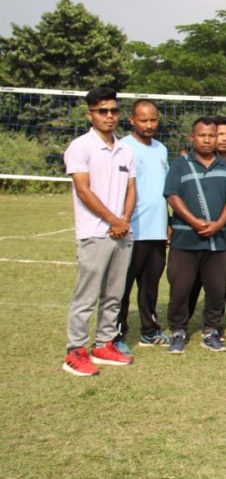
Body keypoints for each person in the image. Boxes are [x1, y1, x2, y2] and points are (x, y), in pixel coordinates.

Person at [61, 87, 136, 376]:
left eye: (113, 110)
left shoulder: (125, 148)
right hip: (95, 232)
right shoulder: (81, 146)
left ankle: (104, 343)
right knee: (87, 295)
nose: (109, 116)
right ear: (90, 114)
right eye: (102, 111)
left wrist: (124, 219)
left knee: (114, 294)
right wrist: (112, 221)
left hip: (121, 232)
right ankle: (75, 350)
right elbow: (83, 190)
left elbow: (131, 188)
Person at [163, 117, 226, 354]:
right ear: (192, 137)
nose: (207, 140)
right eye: (202, 135)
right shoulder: (180, 165)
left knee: (217, 289)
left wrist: (219, 224)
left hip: (217, 241)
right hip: (185, 240)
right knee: (181, 288)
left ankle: (211, 330)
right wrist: (194, 221)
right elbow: (172, 195)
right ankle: (178, 331)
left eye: (212, 135)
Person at [117, 98, 170, 349]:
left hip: (157, 231)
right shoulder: (123, 148)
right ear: (131, 120)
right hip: (131, 231)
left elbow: (163, 190)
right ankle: (116, 334)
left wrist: (168, 221)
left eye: (153, 119)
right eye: (143, 120)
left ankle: (149, 331)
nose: (149, 125)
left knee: (150, 286)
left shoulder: (161, 149)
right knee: (122, 288)